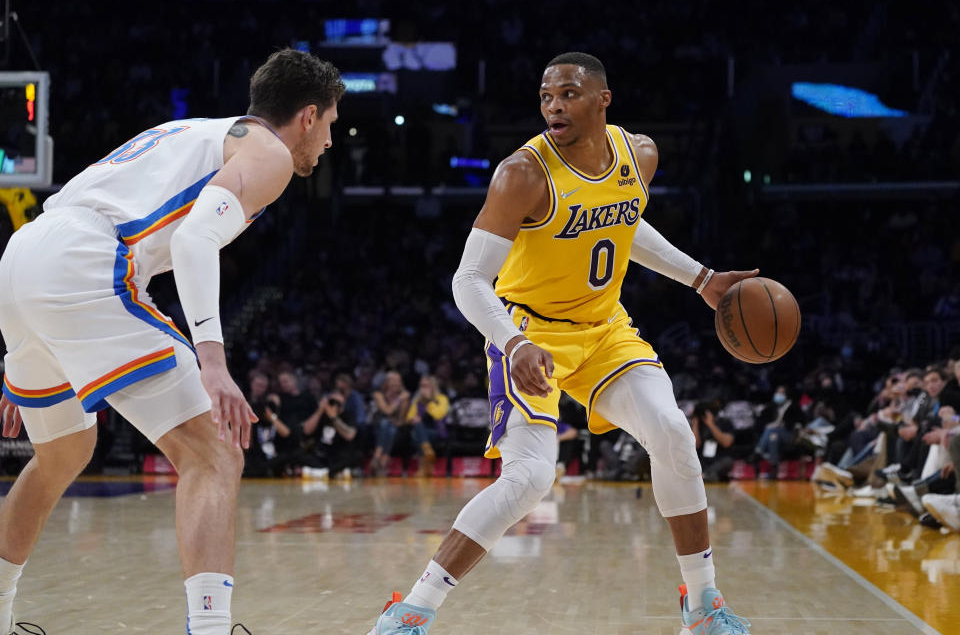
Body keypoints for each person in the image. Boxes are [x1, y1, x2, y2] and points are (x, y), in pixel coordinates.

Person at [367, 52, 753, 635]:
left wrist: (700, 278)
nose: (554, 106)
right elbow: (468, 281)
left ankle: (703, 606)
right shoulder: (521, 173)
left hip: (604, 330)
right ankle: (411, 612)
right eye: (546, 96)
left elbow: (622, 223)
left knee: (673, 433)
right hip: (530, 334)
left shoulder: (639, 155)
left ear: (603, 99)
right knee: (529, 479)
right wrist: (514, 342)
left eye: (568, 94)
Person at [0, 48, 344, 635]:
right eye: (332, 125)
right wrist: (212, 360)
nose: (330, 142)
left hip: (25, 258)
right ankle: (210, 630)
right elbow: (192, 243)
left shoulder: (189, 132)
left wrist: (32, 346)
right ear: (307, 116)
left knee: (63, 452)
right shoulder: (269, 152)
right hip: (88, 262)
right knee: (215, 453)